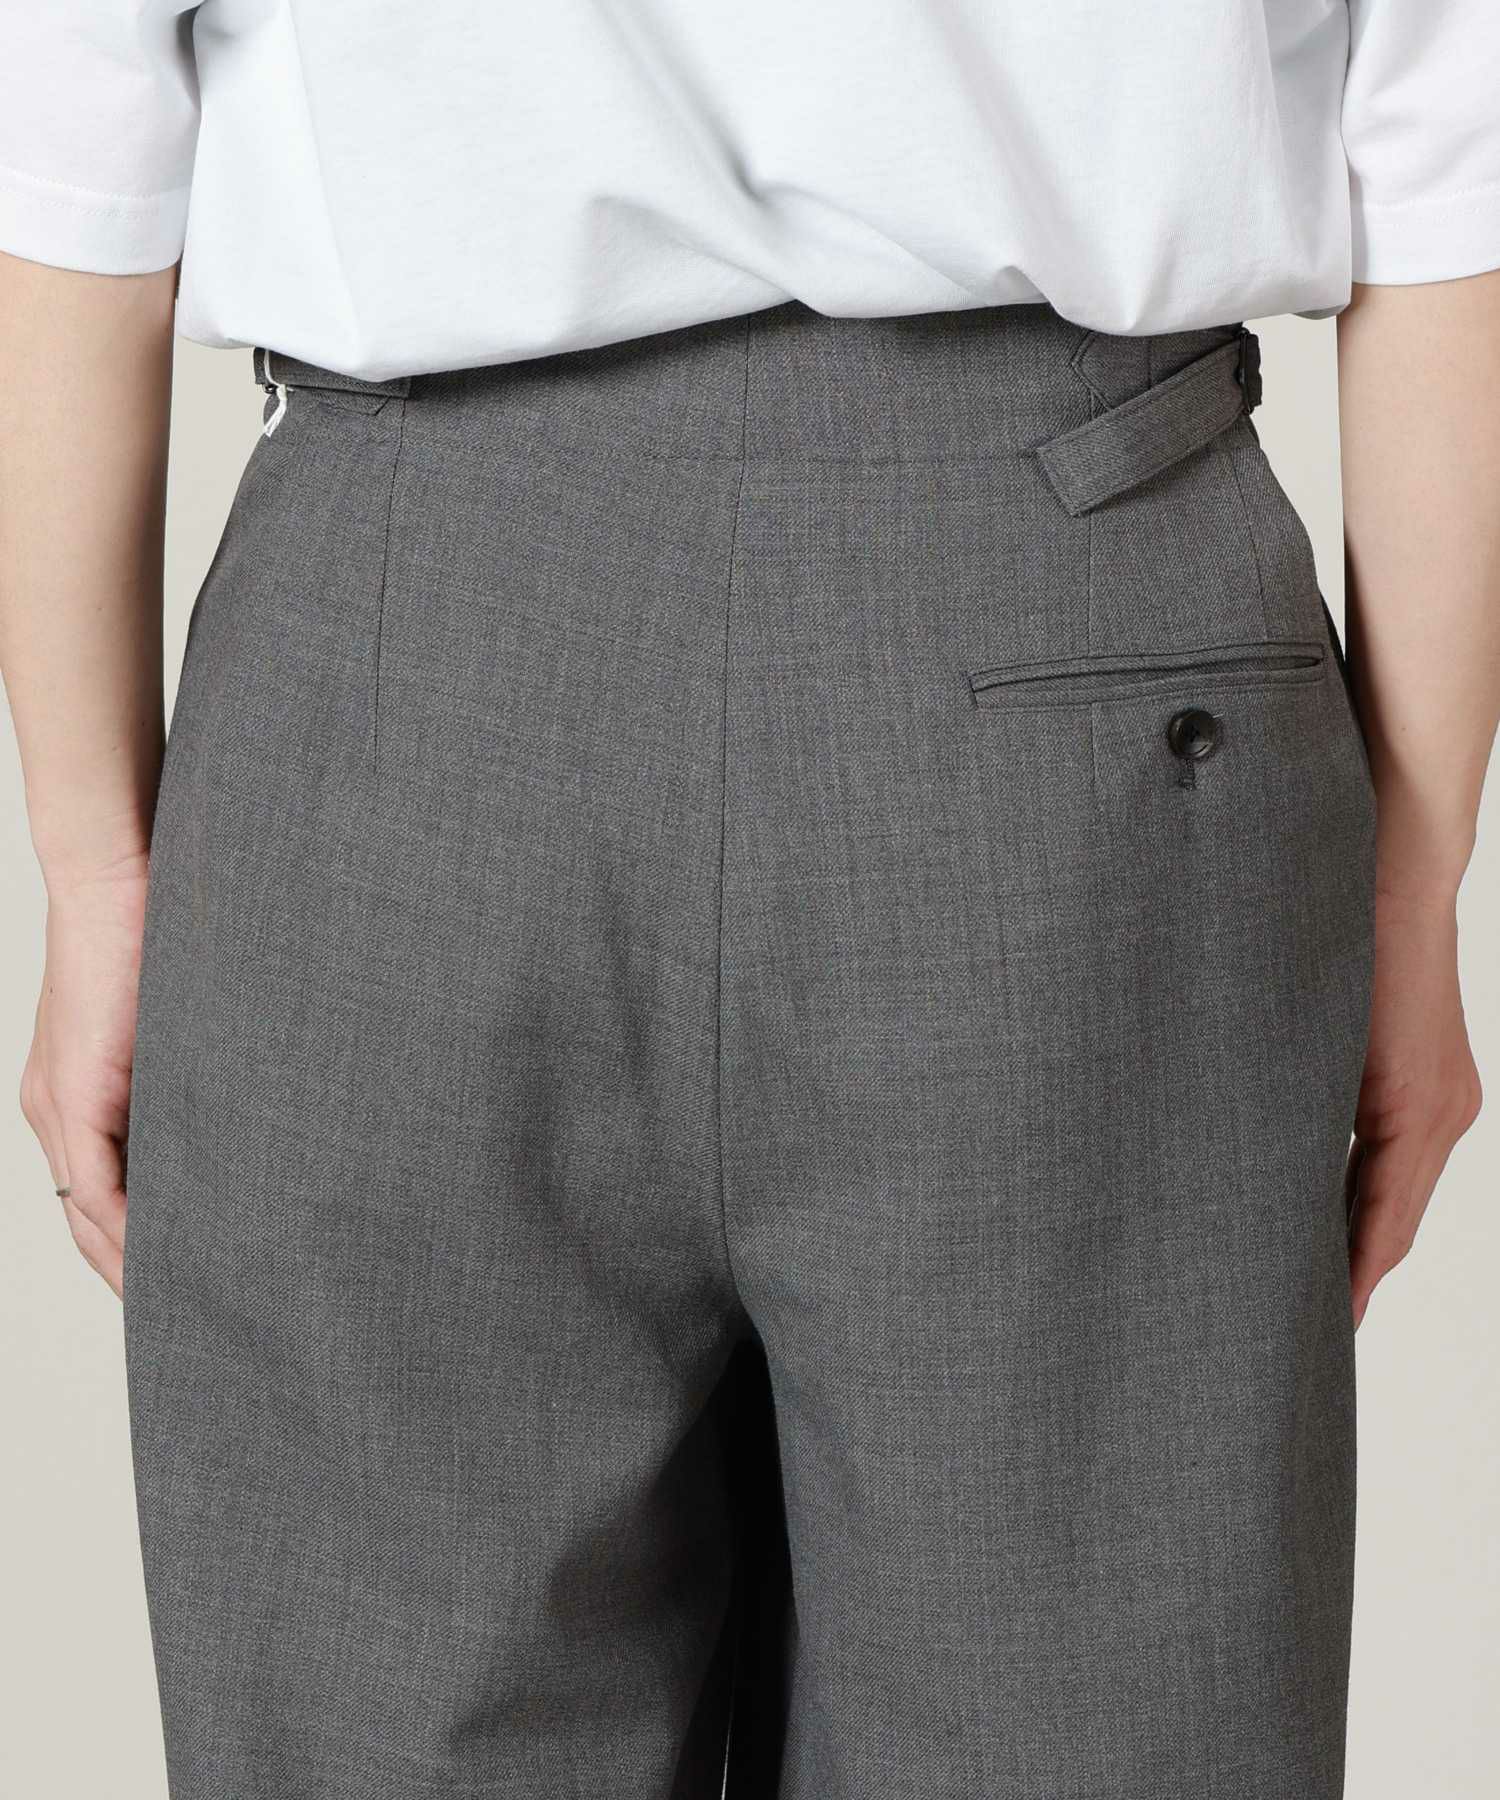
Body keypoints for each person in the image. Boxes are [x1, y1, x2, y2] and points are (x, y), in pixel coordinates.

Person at [1, 4, 1497, 1796]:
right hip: (1080, 644)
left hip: (412, 651)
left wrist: (94, 863)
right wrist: (1415, 885)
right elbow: (1450, 168)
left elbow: (69, 163)